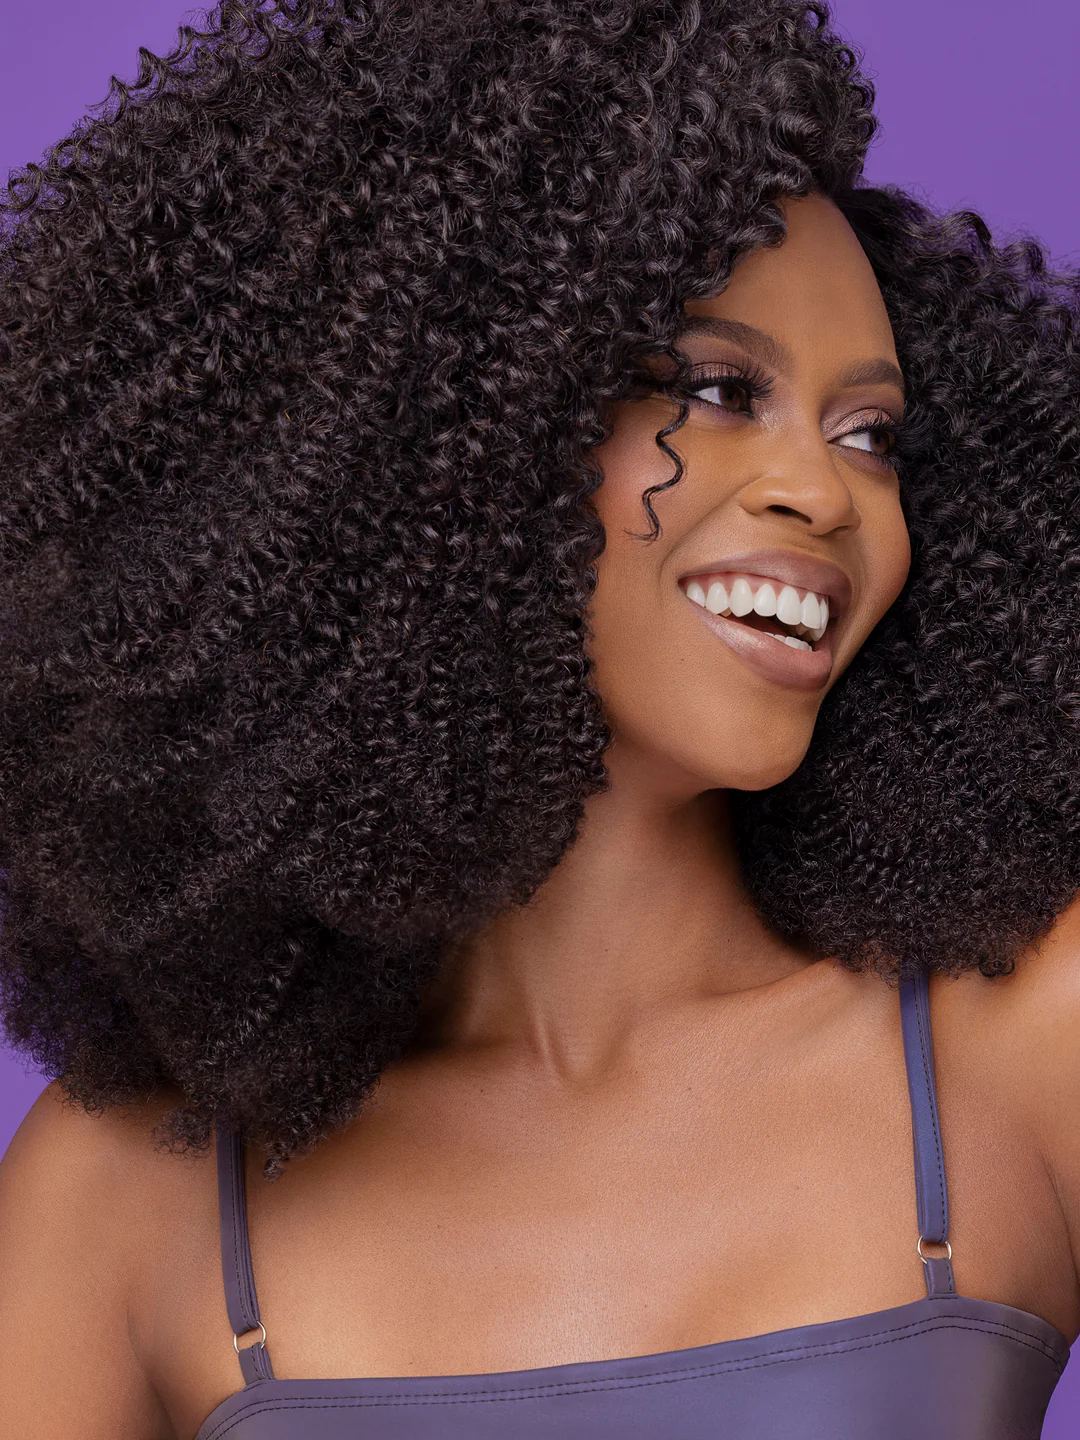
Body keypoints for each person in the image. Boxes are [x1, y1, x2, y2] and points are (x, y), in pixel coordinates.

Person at [1, 1, 1079, 1435]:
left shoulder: (1018, 1046)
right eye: (718, 389)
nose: (824, 494)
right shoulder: (127, 1199)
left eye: (869, 434)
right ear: (441, 442)